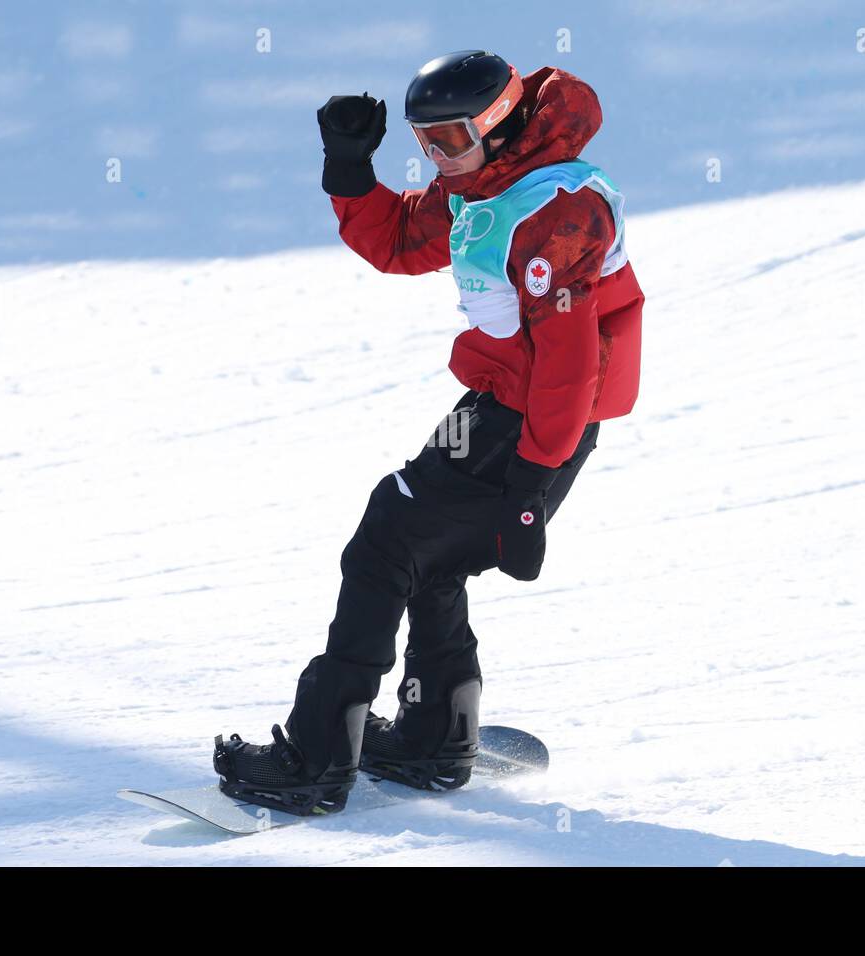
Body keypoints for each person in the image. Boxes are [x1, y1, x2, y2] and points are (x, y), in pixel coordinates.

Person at [213, 50, 645, 815]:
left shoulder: (555, 211)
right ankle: (432, 733)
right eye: (424, 141)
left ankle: (318, 757)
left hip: (531, 421)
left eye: (449, 138)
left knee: (386, 543)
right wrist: (349, 168)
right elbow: (399, 243)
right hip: (508, 407)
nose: (435, 158)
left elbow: (572, 364)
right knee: (427, 555)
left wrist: (529, 488)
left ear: (499, 122)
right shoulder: (484, 186)